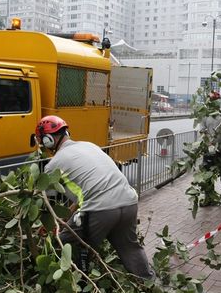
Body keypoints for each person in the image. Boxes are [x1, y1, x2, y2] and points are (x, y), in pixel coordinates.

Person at [37, 115, 154, 279]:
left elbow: (48, 203)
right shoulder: (89, 145)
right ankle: (148, 283)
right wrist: (68, 218)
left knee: (66, 243)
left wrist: (48, 225)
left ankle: (79, 287)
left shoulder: (53, 165)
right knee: (130, 247)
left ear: (48, 140)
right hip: (128, 203)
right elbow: (86, 193)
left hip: (100, 209)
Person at [197, 90, 221, 205]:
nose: (215, 103)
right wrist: (208, 144)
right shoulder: (204, 116)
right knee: (208, 174)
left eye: (216, 101)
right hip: (209, 150)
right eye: (213, 101)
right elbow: (202, 131)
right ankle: (209, 197)